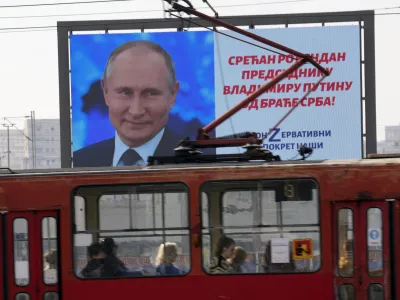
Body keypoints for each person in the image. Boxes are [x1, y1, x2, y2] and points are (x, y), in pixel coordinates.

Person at [73, 40, 184, 168]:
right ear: (105, 91)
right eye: (125, 93)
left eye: (150, 93)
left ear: (173, 95)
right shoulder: (78, 163)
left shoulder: (206, 162)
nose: (136, 111)